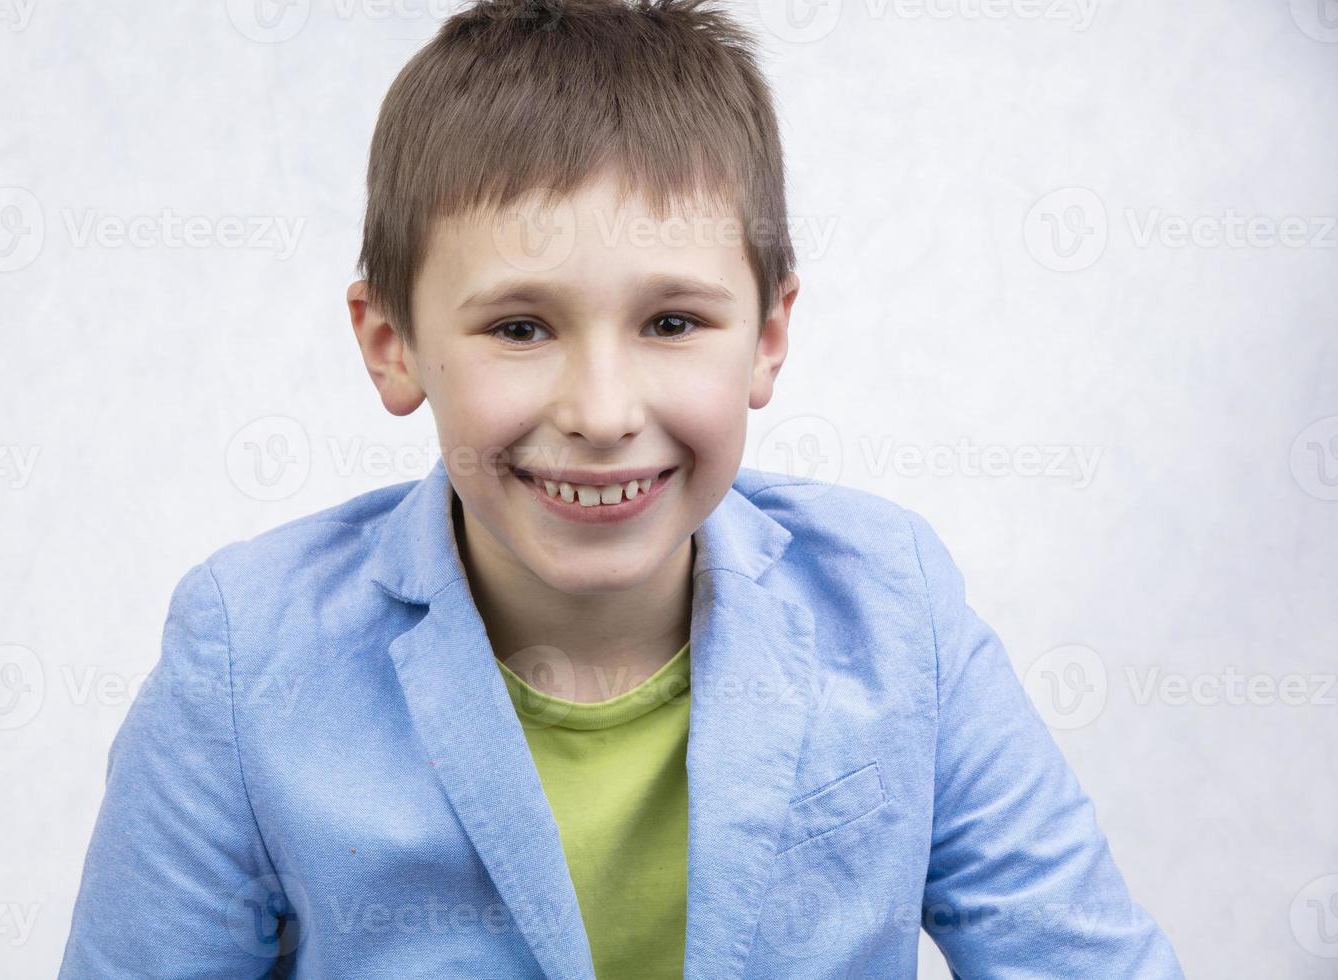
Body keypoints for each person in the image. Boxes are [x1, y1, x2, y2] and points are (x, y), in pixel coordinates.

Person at [59, 1, 1185, 976]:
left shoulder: (896, 606)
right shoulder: (247, 658)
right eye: (519, 326)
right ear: (392, 341)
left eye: (672, 322)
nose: (602, 411)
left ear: (768, 335)